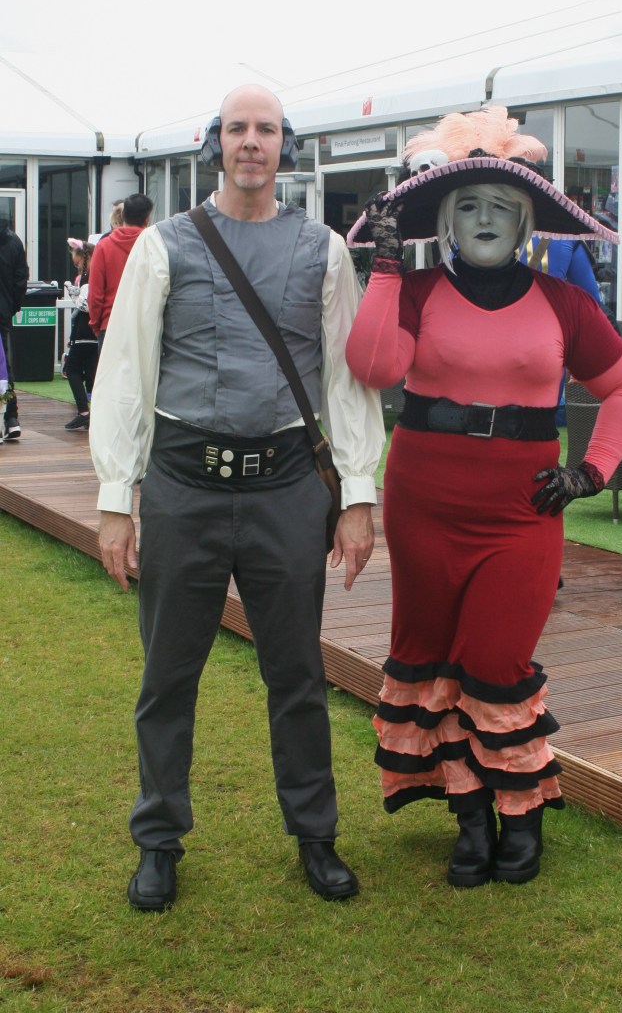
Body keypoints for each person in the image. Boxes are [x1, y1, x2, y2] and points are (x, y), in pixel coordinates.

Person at [89, 84, 384, 911]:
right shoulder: (163, 246)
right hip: (183, 489)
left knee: (297, 674)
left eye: (265, 129)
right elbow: (125, 372)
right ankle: (157, 840)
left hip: (286, 490)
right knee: (166, 677)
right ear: (214, 143)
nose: (250, 141)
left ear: (284, 145)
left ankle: (315, 834)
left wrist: (357, 496)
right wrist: (115, 497)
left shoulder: (325, 250)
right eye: (236, 129)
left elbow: (345, 380)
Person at [346, 106, 622, 886]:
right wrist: (385, 268)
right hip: (422, 503)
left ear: (524, 224)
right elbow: (374, 369)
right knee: (430, 656)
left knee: (495, 661)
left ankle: (520, 815)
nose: (485, 219)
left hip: (522, 511)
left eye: (502, 207)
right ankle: (470, 818)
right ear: (447, 218)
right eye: (469, 205)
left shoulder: (562, 302)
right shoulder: (412, 288)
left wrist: (591, 470)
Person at [88, 193, 153, 354]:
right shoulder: (155, 245)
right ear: (147, 219)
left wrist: (97, 325)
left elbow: (95, 295)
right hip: (144, 327)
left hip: (110, 325)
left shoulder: (103, 246)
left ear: (122, 215)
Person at [63, 239, 97, 430]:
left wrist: (75, 295)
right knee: (92, 374)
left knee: (72, 369)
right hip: (94, 332)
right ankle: (95, 413)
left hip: (84, 331)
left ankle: (83, 411)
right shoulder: (95, 275)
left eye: (77, 263)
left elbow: (86, 306)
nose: (77, 267)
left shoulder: (88, 277)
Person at [0, 218, 28, 441]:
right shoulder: (13, 241)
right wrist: (11, 307)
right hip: (2, 311)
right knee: (3, 365)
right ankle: (10, 418)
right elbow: (21, 279)